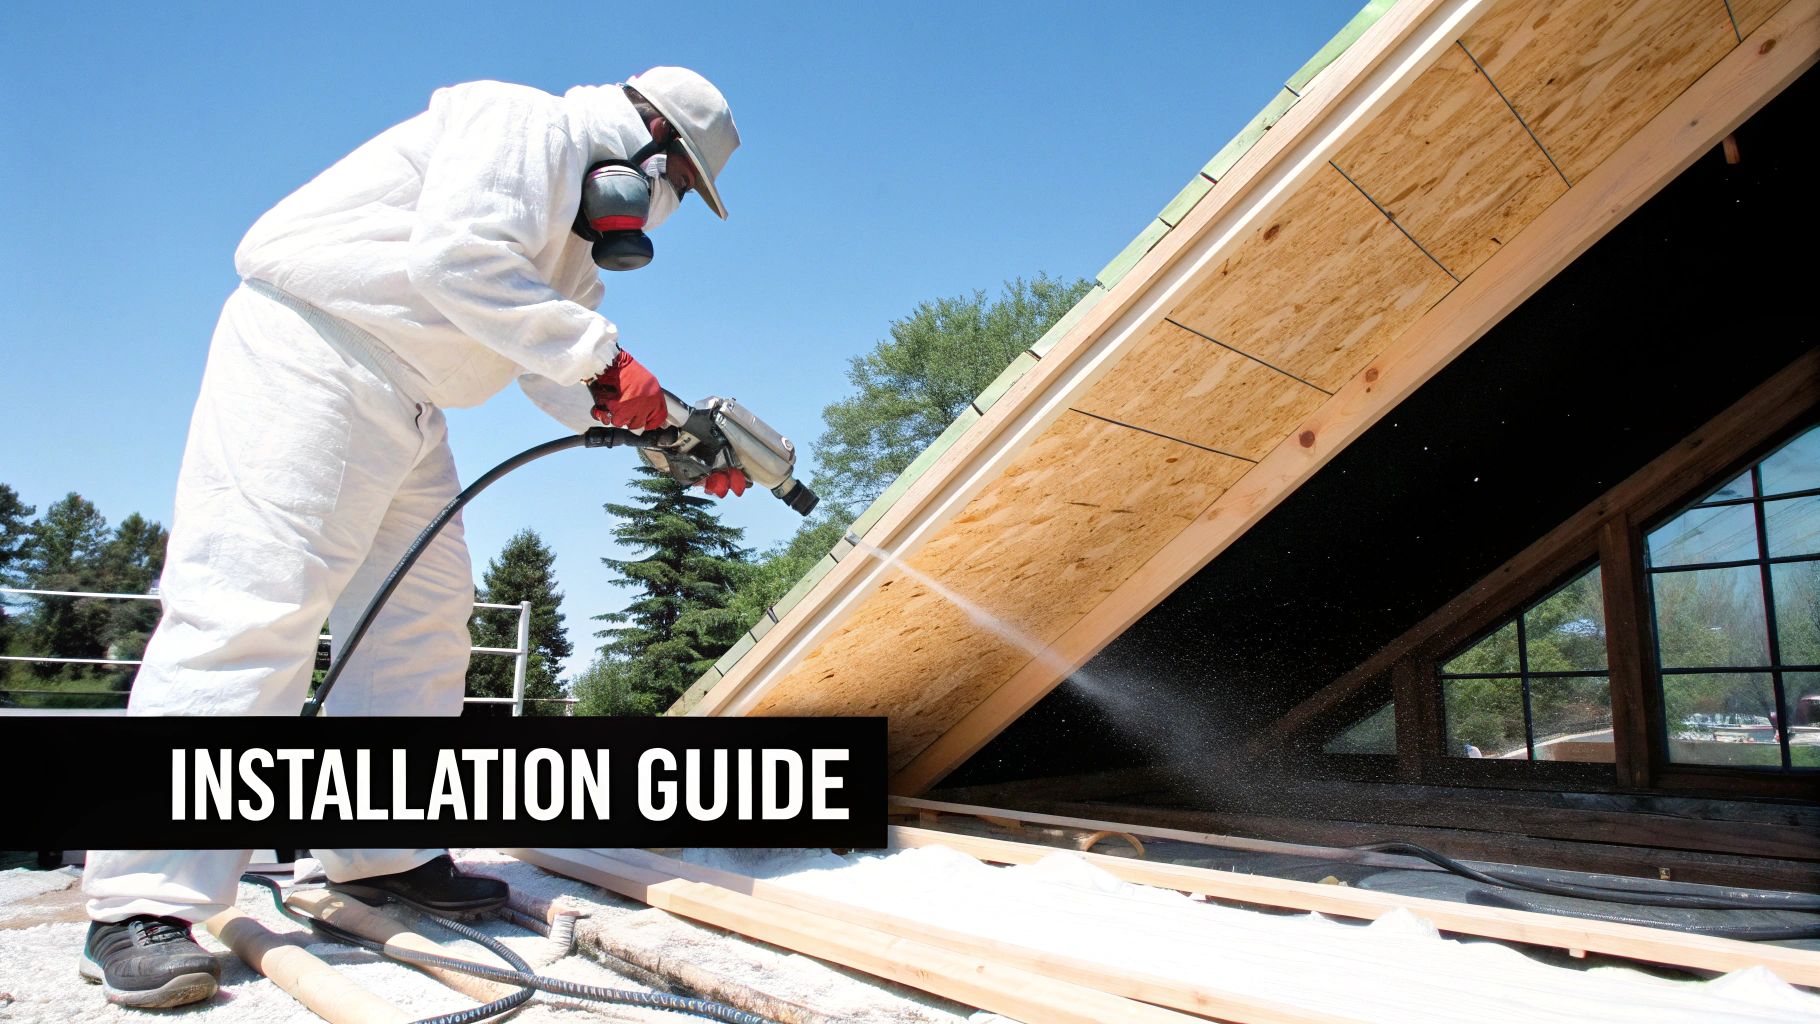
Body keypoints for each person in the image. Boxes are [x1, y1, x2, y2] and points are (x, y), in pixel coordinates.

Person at [78, 67, 741, 1010]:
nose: (668, 210)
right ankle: (137, 902)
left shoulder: (572, 243)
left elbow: (553, 362)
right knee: (249, 617)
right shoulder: (523, 123)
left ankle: (376, 854)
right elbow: (461, 262)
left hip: (412, 400)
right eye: (679, 186)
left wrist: (669, 427)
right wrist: (605, 363)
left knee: (420, 627)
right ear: (648, 147)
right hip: (312, 353)